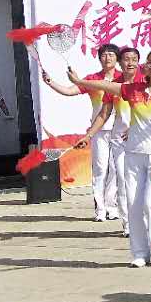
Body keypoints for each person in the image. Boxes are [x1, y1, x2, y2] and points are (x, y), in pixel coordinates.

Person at [77, 49, 151, 267]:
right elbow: (107, 86)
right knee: (132, 205)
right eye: (150, 62)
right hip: (133, 154)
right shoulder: (134, 89)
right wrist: (80, 82)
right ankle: (139, 252)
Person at [41, 43, 126, 223]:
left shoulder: (123, 78)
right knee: (100, 169)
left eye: (111, 54)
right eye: (104, 55)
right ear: (100, 58)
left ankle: (112, 206)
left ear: (117, 58)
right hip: (99, 130)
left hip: (120, 130)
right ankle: (100, 209)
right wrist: (51, 82)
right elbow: (69, 91)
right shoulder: (92, 79)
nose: (107, 58)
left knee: (116, 169)